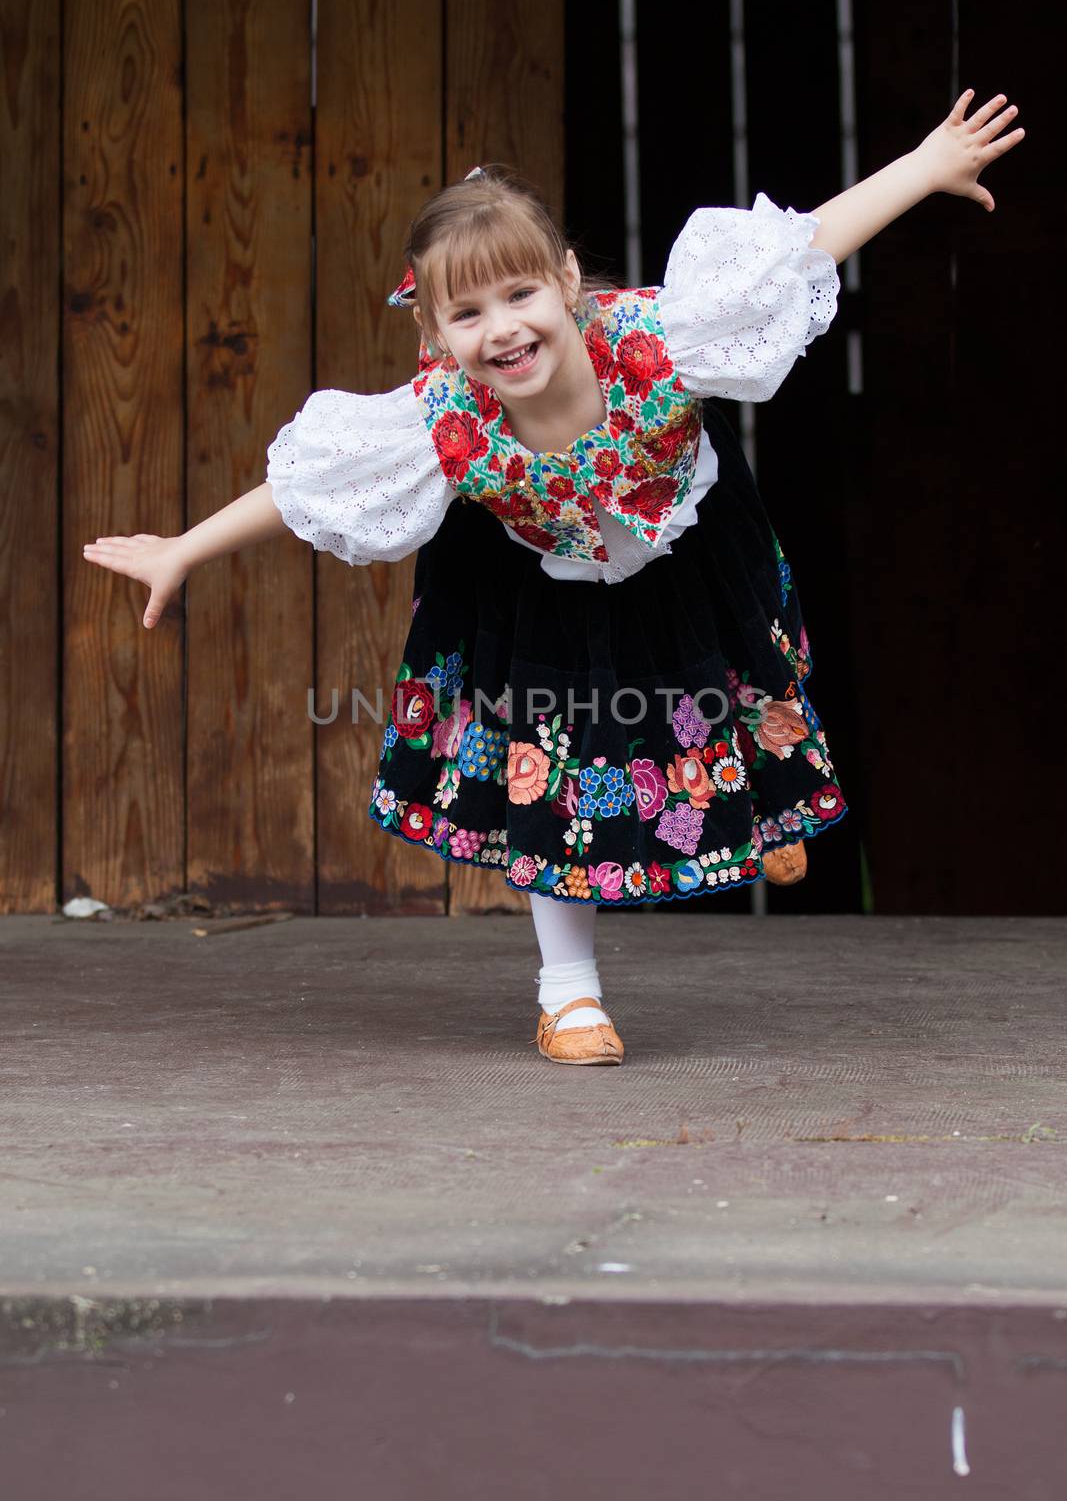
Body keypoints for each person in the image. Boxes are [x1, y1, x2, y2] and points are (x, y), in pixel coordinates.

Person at [82, 88, 1024, 1067]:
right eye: (466, 311)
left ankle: (752, 806)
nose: (500, 328)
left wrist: (922, 165)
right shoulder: (442, 413)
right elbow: (308, 487)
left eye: (520, 294)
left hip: (685, 544)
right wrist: (182, 548)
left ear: (567, 281)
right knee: (554, 756)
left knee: (742, 680)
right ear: (433, 332)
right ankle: (567, 995)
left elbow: (804, 248)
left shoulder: (663, 337)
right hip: (541, 577)